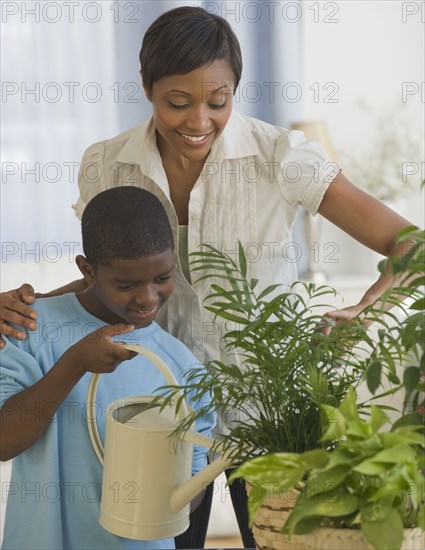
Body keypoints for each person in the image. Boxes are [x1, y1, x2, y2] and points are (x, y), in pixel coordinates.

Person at [0, 5, 414, 548]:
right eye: (177, 102)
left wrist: (364, 311)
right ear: (146, 85)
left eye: (218, 102)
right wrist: (27, 302)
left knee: (279, 540)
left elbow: (410, 245)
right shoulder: (105, 163)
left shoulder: (282, 156)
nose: (198, 122)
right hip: (160, 408)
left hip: (267, 408)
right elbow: (109, 275)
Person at [0, 187, 215, 550]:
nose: (148, 297)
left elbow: (191, 485)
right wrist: (74, 363)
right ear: (87, 270)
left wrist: (161, 494)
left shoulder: (180, 366)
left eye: (161, 277)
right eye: (126, 284)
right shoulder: (32, 328)